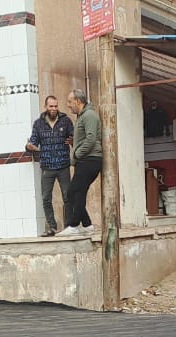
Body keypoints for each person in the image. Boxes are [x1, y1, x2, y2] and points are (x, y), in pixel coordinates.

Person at [25, 95, 75, 236]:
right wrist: (29, 147)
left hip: (63, 165)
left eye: (56, 106)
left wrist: (73, 141)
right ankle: (52, 227)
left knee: (67, 197)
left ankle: (68, 226)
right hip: (47, 166)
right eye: (51, 106)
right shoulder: (38, 124)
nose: (54, 109)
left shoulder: (66, 121)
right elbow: (33, 142)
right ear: (45, 107)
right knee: (46, 198)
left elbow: (74, 137)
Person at [60, 89, 102, 235]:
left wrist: (77, 153)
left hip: (90, 160)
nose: (68, 105)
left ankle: (73, 225)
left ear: (78, 101)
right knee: (74, 192)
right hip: (84, 160)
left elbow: (91, 138)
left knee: (75, 192)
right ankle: (87, 225)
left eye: (70, 101)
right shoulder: (82, 116)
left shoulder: (89, 115)